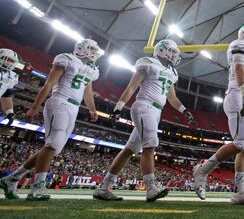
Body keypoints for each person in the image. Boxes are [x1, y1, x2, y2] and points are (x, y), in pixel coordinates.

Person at [93, 39, 194, 202]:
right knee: (150, 146)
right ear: (163, 51)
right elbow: (132, 86)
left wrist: (184, 110)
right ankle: (151, 188)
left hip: (156, 111)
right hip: (144, 106)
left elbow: (172, 97)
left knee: (129, 150)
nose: (175, 55)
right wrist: (119, 106)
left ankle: (104, 187)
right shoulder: (149, 63)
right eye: (173, 52)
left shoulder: (171, 72)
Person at [0, 39, 102, 200]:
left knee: (54, 148)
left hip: (74, 108)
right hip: (60, 101)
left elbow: (87, 91)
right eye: (93, 50)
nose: (95, 54)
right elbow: (48, 84)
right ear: (83, 49)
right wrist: (35, 107)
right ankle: (37, 187)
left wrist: (92, 108)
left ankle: (12, 178)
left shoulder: (90, 69)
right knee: (53, 144)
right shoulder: (66, 59)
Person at [192, 24, 244, 205]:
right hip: (237, 94)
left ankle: (240, 192)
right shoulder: (240, 44)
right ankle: (203, 170)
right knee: (242, 142)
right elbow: (239, 70)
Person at [0, 48, 20, 126]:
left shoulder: (11, 76)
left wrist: (10, 113)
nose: (8, 62)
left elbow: (6, 96)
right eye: (6, 59)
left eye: (11, 61)